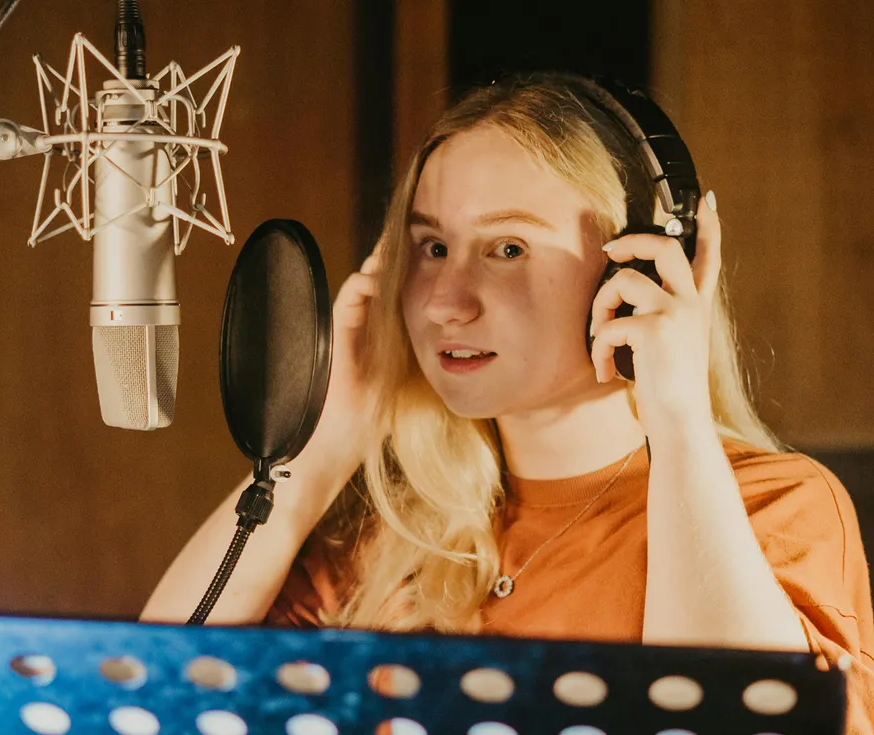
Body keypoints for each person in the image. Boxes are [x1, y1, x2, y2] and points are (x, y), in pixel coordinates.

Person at [142, 73, 874, 730]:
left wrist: (678, 419)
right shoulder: (389, 537)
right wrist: (325, 442)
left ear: (646, 263)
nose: (443, 304)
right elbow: (150, 696)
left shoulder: (777, 509)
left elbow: (736, 722)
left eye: (508, 248)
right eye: (431, 248)